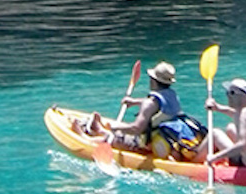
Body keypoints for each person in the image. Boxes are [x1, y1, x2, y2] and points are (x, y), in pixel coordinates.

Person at [76, 61, 205, 160]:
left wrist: (115, 128)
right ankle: (99, 129)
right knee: (121, 129)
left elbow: (136, 129)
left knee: (115, 136)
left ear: (153, 81)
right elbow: (158, 104)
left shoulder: (150, 103)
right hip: (170, 139)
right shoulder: (172, 95)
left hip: (147, 144)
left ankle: (89, 138)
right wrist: (134, 102)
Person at [203, 78, 246, 169]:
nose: (228, 96)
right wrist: (217, 108)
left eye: (231, 93)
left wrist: (214, 158)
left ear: (242, 97)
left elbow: (242, 145)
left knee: (215, 133)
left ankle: (195, 161)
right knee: (231, 128)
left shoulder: (244, 114)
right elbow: (236, 114)